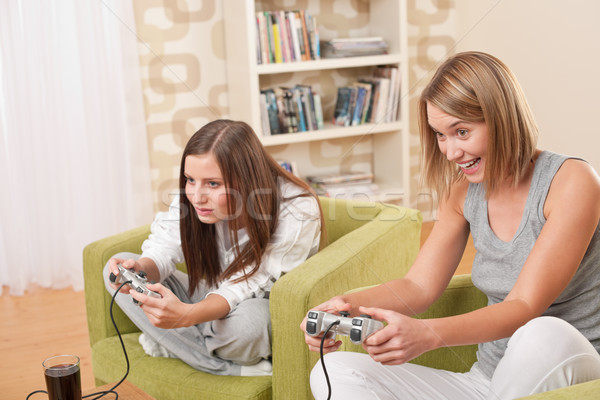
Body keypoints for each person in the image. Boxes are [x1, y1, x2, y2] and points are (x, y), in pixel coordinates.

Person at [303, 51, 600, 399]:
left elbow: (523, 306)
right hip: (486, 383)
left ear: (503, 119)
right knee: (338, 371)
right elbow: (417, 286)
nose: (450, 151)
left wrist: (428, 334)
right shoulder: (463, 193)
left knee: (542, 334)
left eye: (461, 131)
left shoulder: (572, 181)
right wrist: (342, 306)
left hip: (568, 372)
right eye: (440, 135)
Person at [104, 119, 324, 376]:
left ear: (247, 179)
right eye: (190, 179)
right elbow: (164, 247)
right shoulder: (195, 199)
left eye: (213, 184)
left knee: (252, 325)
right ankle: (221, 364)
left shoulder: (297, 209)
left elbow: (249, 284)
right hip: (214, 297)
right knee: (118, 269)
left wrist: (186, 317)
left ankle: (175, 344)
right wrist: (139, 270)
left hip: (258, 307)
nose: (197, 196)